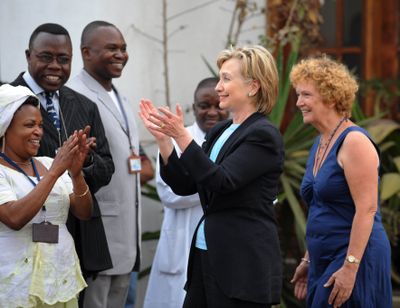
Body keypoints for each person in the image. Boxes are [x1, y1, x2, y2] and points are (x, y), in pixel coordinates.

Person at [139, 45, 284, 308]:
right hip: (207, 255)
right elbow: (186, 184)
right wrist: (165, 142)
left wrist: (182, 136)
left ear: (253, 86)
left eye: (227, 79)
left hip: (242, 265)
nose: (218, 86)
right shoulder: (220, 130)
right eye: (220, 78)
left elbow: (223, 181)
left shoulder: (264, 135)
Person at [10, 23, 115, 287]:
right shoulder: (6, 100)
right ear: (28, 56)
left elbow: (106, 168)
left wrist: (84, 161)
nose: (55, 66)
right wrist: (55, 165)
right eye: (46, 57)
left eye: (64, 59)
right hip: (21, 233)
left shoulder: (84, 105)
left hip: (79, 233)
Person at [290, 56, 392, 308]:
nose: (298, 103)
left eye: (306, 95)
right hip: (323, 257)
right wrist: (308, 259)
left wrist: (350, 267)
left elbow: (367, 208)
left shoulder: (354, 141)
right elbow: (321, 208)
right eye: (298, 95)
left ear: (331, 97)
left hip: (354, 256)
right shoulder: (320, 142)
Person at [68, 20, 154, 308]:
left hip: (127, 232)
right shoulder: (75, 96)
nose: (120, 54)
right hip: (98, 231)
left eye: (123, 48)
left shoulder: (120, 96)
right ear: (86, 52)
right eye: (111, 48)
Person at [0, 84, 92, 307]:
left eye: (40, 125)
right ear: (5, 128)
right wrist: (54, 173)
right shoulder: (6, 170)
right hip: (15, 282)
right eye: (29, 125)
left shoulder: (49, 163)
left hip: (60, 275)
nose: (38, 132)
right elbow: (14, 217)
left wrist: (77, 173)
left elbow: (84, 212)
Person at [143, 77, 229, 308]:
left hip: (223, 244)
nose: (212, 112)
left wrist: (205, 180)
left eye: (218, 105)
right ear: (194, 107)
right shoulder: (176, 138)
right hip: (181, 246)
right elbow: (170, 195)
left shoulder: (237, 140)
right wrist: (219, 183)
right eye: (204, 106)